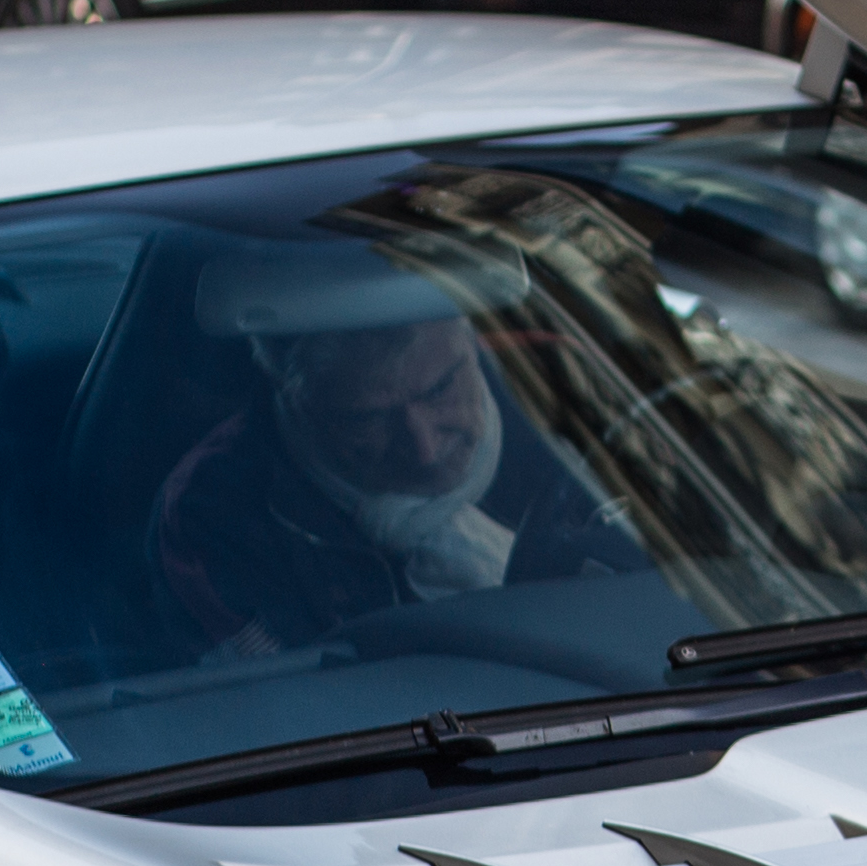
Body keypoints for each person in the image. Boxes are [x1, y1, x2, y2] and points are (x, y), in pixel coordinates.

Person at [148, 247, 634, 662]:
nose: (424, 449)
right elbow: (291, 708)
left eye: (442, 388)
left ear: (472, 335)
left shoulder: (582, 389)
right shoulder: (213, 511)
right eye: (367, 419)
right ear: (292, 395)